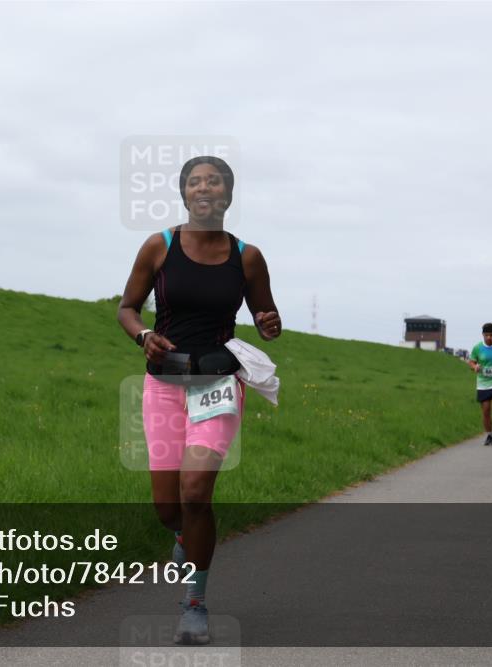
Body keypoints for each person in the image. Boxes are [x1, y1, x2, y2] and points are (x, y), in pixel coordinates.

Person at [117, 156, 281, 645]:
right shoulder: (159, 246)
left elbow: (266, 315)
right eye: (194, 181)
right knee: (168, 507)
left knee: (195, 492)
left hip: (217, 383)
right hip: (163, 384)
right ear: (184, 194)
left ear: (228, 194)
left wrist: (271, 325)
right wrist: (143, 334)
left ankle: (194, 604)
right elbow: (126, 308)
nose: (204, 187)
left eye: (213, 181)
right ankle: (184, 539)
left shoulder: (247, 256)